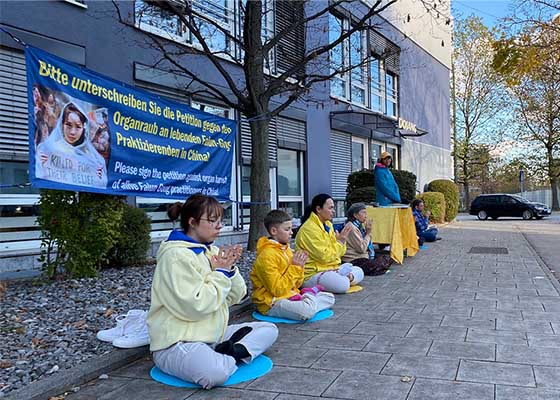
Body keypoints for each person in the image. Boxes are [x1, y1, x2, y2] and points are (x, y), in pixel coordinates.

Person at [148, 194, 278, 390]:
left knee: (269, 330)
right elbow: (194, 306)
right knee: (214, 374)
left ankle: (230, 353)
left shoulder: (211, 250)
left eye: (220, 220)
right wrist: (220, 274)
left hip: (213, 335)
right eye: (212, 220)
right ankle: (228, 356)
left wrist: (230, 270)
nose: (219, 226)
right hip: (178, 342)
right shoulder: (175, 256)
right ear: (192, 222)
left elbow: (237, 295)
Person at [251, 210, 335, 320]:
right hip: (271, 302)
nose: (291, 232)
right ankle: (309, 298)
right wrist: (295, 267)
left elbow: (298, 284)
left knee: (330, 297)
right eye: (287, 229)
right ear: (273, 231)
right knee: (306, 312)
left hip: (292, 295)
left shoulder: (287, 250)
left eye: (291, 228)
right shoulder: (266, 256)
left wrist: (300, 266)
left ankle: (308, 299)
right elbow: (277, 290)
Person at [295, 193, 364, 293]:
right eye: (331, 208)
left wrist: (341, 241)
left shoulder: (328, 225)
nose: (333, 211)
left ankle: (347, 277)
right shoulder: (309, 229)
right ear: (318, 209)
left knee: (359, 270)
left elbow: (340, 253)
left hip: (331, 268)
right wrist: (340, 242)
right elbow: (324, 256)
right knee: (342, 285)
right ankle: (347, 279)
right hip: (313, 273)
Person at [35, 102, 108, 189]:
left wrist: (99, 178)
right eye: (68, 125)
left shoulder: (91, 156)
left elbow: (101, 184)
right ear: (62, 125)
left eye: (78, 127)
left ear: (84, 128)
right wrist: (40, 164)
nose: (72, 132)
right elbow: (41, 176)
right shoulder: (48, 149)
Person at [342, 203, 392, 275]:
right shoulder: (351, 228)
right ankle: (375, 270)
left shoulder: (358, 226)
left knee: (387, 258)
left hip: (362, 256)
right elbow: (361, 248)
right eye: (363, 212)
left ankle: (376, 269)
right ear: (355, 215)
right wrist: (368, 233)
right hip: (353, 259)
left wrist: (367, 232)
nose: (366, 215)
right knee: (379, 263)